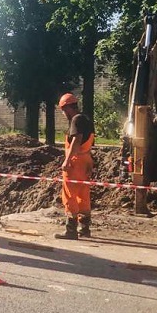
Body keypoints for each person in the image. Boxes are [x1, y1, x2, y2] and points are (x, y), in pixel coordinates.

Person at [55, 93, 95, 240]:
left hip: (75, 162)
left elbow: (76, 141)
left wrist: (67, 160)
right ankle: (85, 229)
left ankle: (70, 230)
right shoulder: (86, 119)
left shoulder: (76, 120)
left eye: (64, 111)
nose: (64, 114)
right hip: (85, 161)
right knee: (83, 195)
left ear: (68, 108)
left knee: (69, 195)